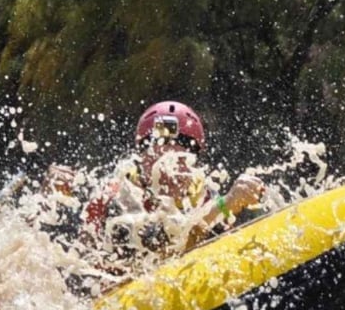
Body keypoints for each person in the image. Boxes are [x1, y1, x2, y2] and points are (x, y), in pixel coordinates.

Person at [83, 101, 264, 267]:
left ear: (194, 163)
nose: (167, 175)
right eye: (158, 162)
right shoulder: (120, 196)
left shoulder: (205, 197)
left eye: (179, 163)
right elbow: (163, 248)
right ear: (141, 158)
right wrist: (225, 205)